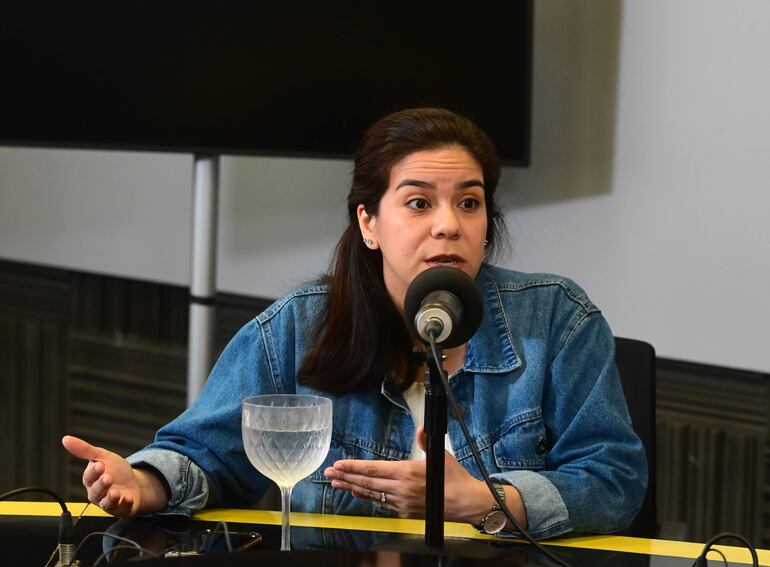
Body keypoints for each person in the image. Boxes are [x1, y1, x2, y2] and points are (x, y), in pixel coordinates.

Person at [62, 107, 647, 540]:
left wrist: (485, 500)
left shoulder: (557, 318)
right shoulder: (299, 326)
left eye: (469, 203)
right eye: (419, 203)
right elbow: (204, 455)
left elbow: (614, 480)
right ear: (369, 223)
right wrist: (145, 483)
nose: (449, 224)